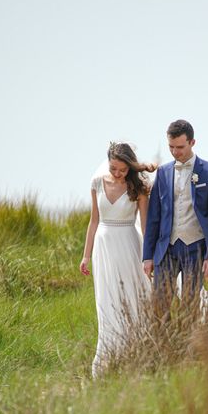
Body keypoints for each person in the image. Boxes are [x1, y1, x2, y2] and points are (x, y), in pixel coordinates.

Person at [80, 142, 156, 378]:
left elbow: (144, 225)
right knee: (106, 300)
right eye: (114, 168)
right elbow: (93, 221)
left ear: (130, 168)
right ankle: (106, 357)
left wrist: (148, 257)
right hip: (102, 248)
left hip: (128, 245)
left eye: (123, 170)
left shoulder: (139, 188)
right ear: (109, 163)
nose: (118, 173)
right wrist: (85, 255)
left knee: (131, 298)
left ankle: (137, 357)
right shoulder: (96, 183)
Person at [142, 119, 208, 321]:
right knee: (160, 306)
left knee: (190, 307)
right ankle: (162, 348)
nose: (175, 152)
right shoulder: (162, 172)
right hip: (166, 249)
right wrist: (148, 256)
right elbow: (154, 217)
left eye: (180, 147)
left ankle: (189, 349)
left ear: (192, 142)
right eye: (171, 147)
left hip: (195, 247)